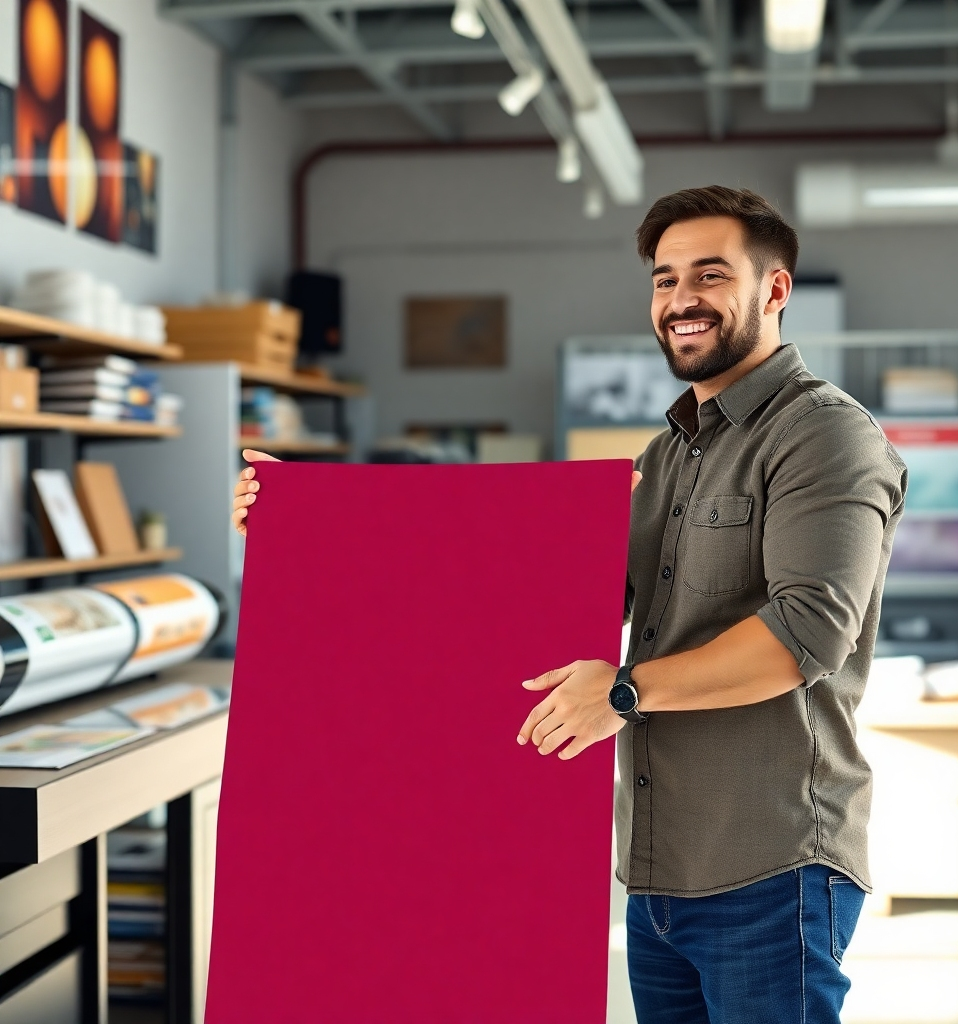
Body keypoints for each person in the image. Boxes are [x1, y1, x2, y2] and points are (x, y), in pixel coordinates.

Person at [232, 185, 907, 1024]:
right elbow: (513, 590)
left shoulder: (824, 436)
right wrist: (310, 536)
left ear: (774, 291)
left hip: (772, 867)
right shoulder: (666, 457)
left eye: (709, 275)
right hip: (656, 870)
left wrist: (623, 691)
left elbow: (806, 634)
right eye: (664, 281)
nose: (681, 301)